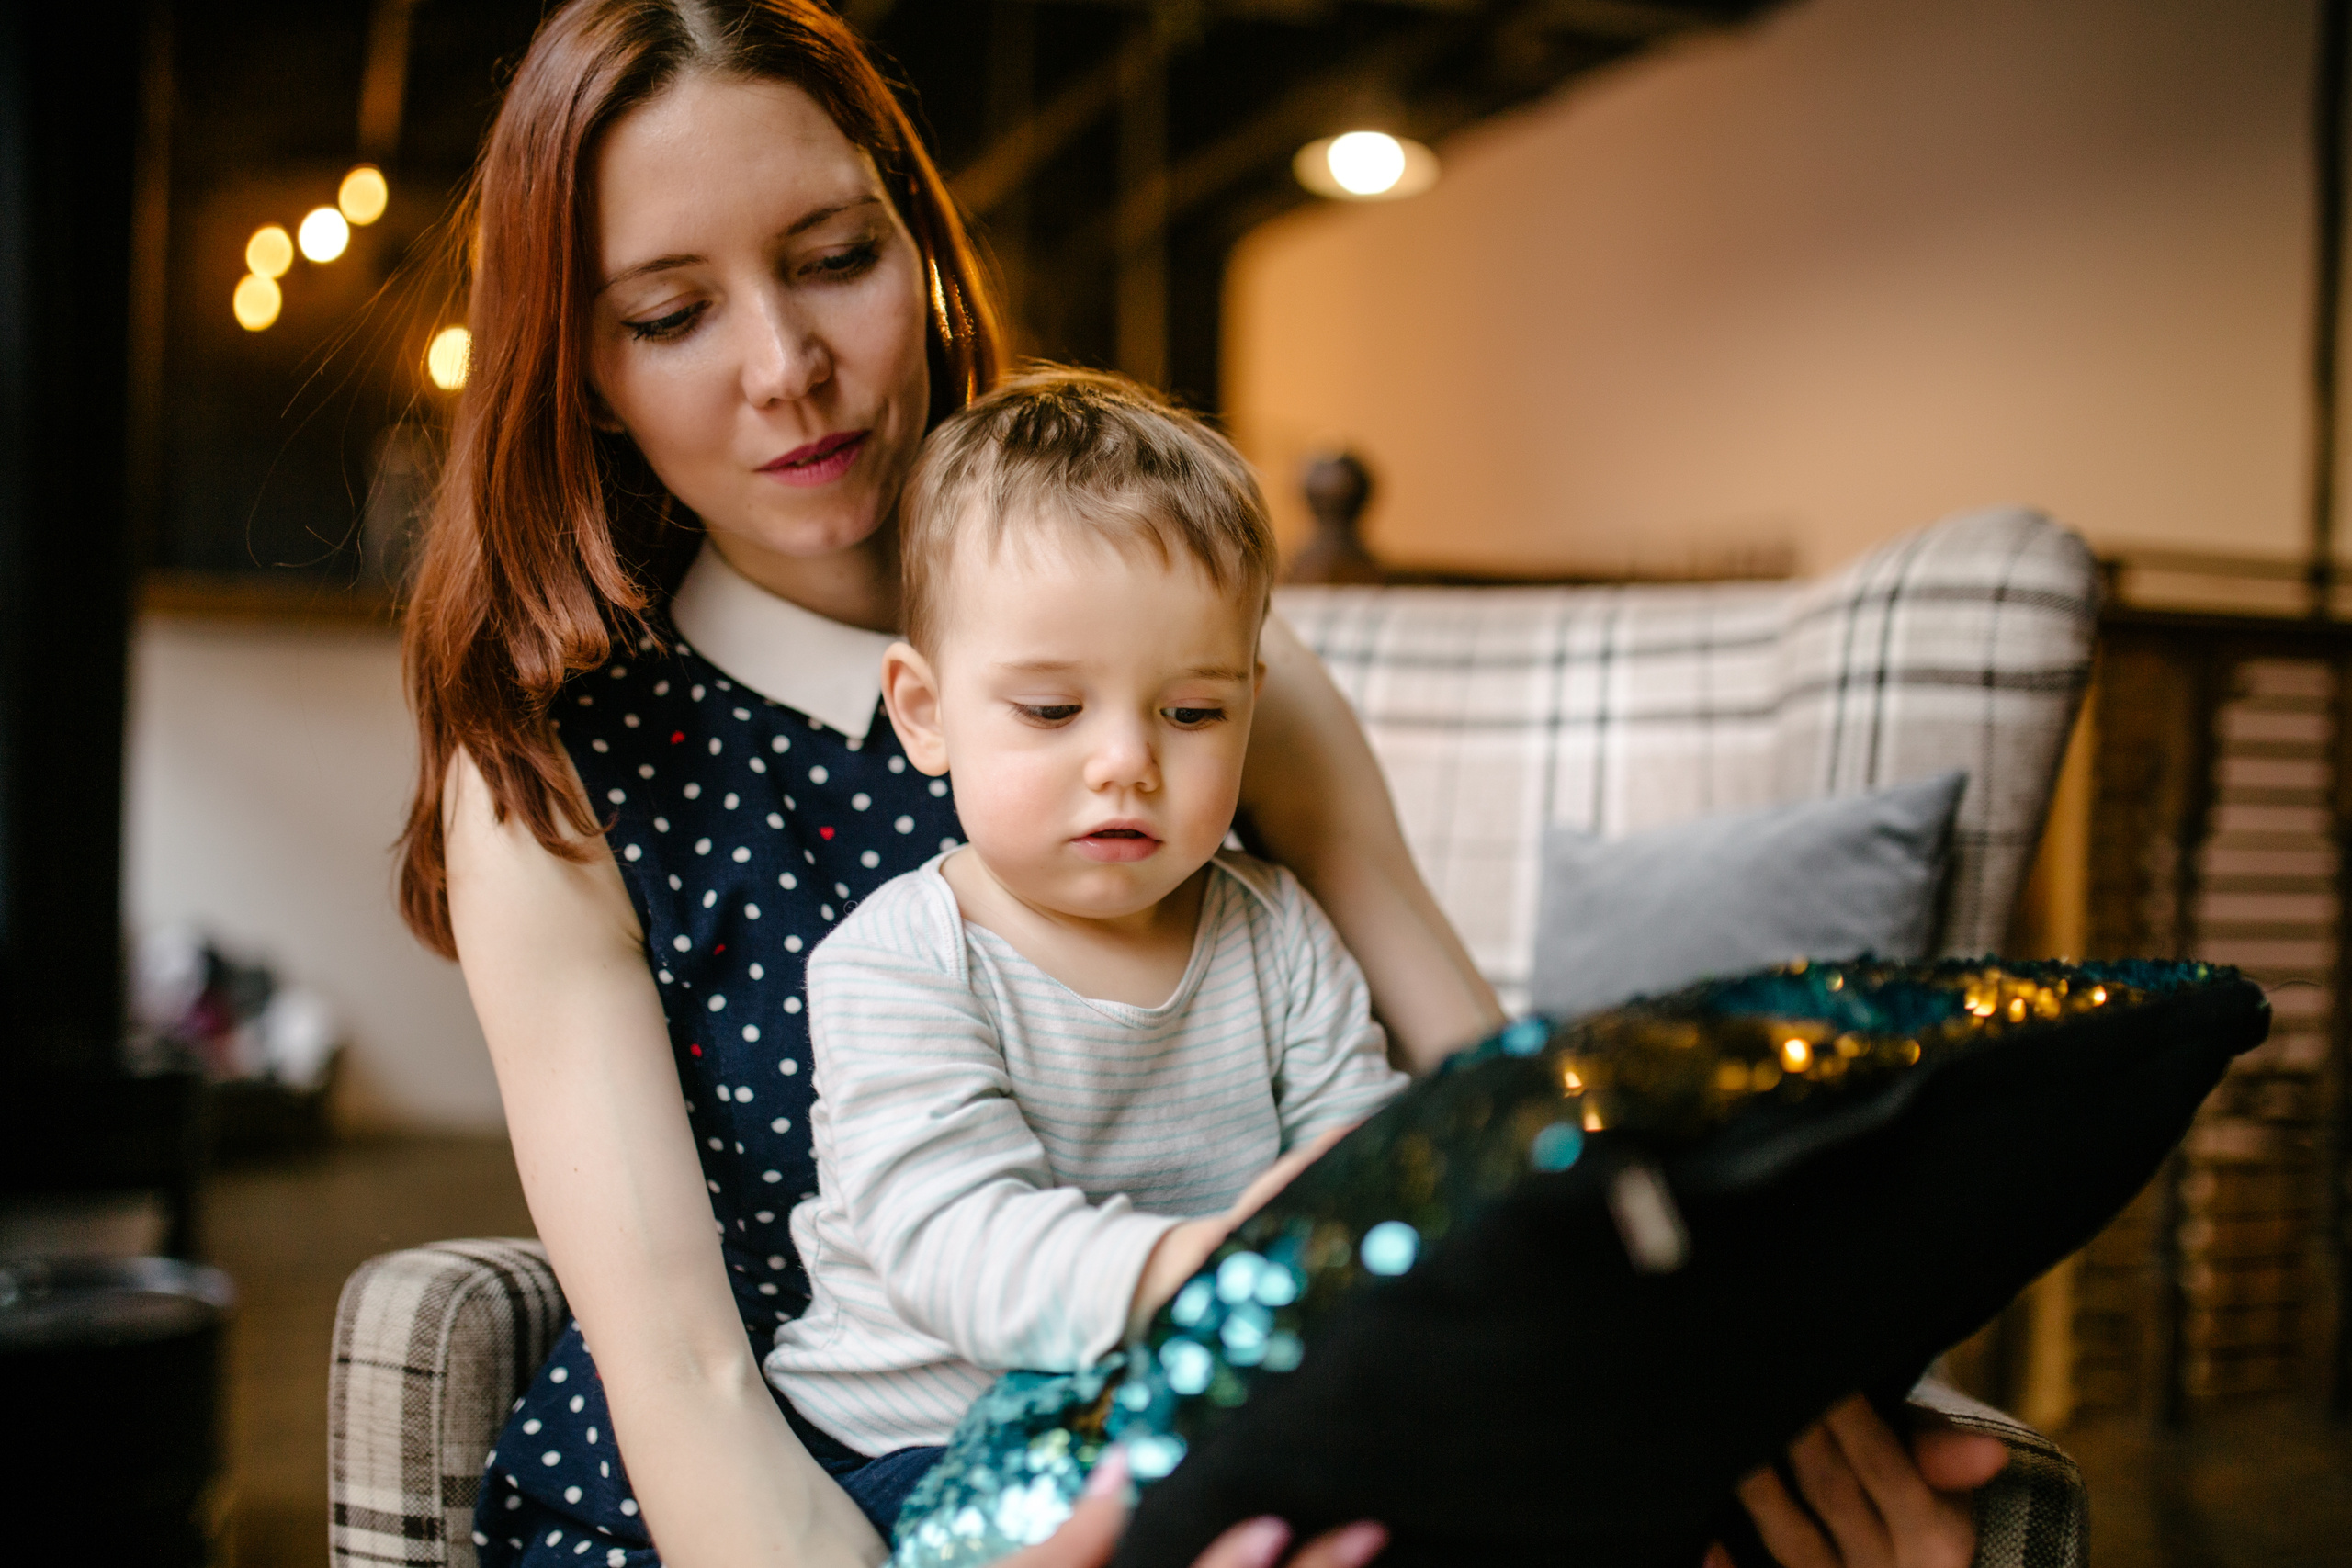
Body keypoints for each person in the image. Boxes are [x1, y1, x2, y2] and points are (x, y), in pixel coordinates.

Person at [393, 3, 2004, 1566]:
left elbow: (1475, 1104)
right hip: (798, 1496)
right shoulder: (554, 775)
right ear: (581, 366)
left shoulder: (1208, 668)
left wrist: (1713, 1387)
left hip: (1209, 1445)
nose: (788, 365)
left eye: (834, 259)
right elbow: (685, 1373)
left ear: (921, 251)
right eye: (670, 315)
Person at [763, 371, 1408, 1501]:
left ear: (1249, 706)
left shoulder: (1277, 934)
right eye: (1054, 711)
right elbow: (955, 1242)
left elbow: (1362, 1157)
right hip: (912, 1444)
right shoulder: (900, 961)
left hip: (1180, 1418)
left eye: (1192, 712)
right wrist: (1194, 1268)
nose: (1127, 761)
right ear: (925, 712)